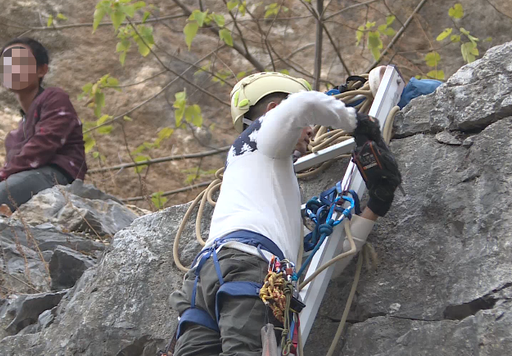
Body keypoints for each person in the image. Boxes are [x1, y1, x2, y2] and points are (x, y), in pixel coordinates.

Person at [168, 72, 401, 356]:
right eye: (307, 126)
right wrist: (361, 125)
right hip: (247, 266)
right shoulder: (258, 142)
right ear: (273, 111)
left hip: (203, 282)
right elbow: (300, 106)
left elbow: (327, 266)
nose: (311, 131)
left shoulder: (262, 188)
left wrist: (375, 206)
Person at [0, 38, 87, 214]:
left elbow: (42, 145)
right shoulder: (15, 135)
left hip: (56, 178)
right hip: (28, 180)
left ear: (42, 70)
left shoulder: (54, 98)